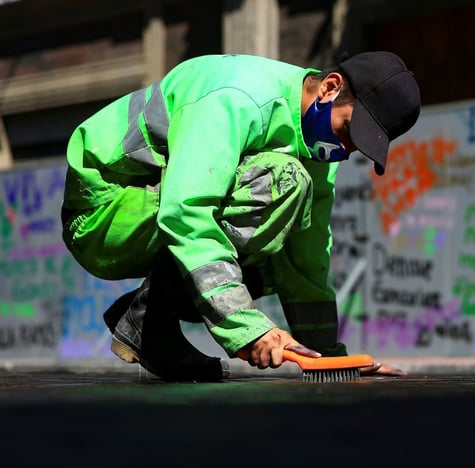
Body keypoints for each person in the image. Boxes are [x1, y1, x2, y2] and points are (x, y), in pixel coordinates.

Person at [61, 51, 421, 381]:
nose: (343, 150)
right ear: (329, 88)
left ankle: (149, 325)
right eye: (347, 132)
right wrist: (247, 329)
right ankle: (150, 315)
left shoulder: (315, 147)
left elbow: (305, 260)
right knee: (284, 182)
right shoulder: (239, 96)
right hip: (102, 215)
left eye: (356, 148)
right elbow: (186, 211)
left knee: (282, 240)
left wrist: (330, 358)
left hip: (155, 210)